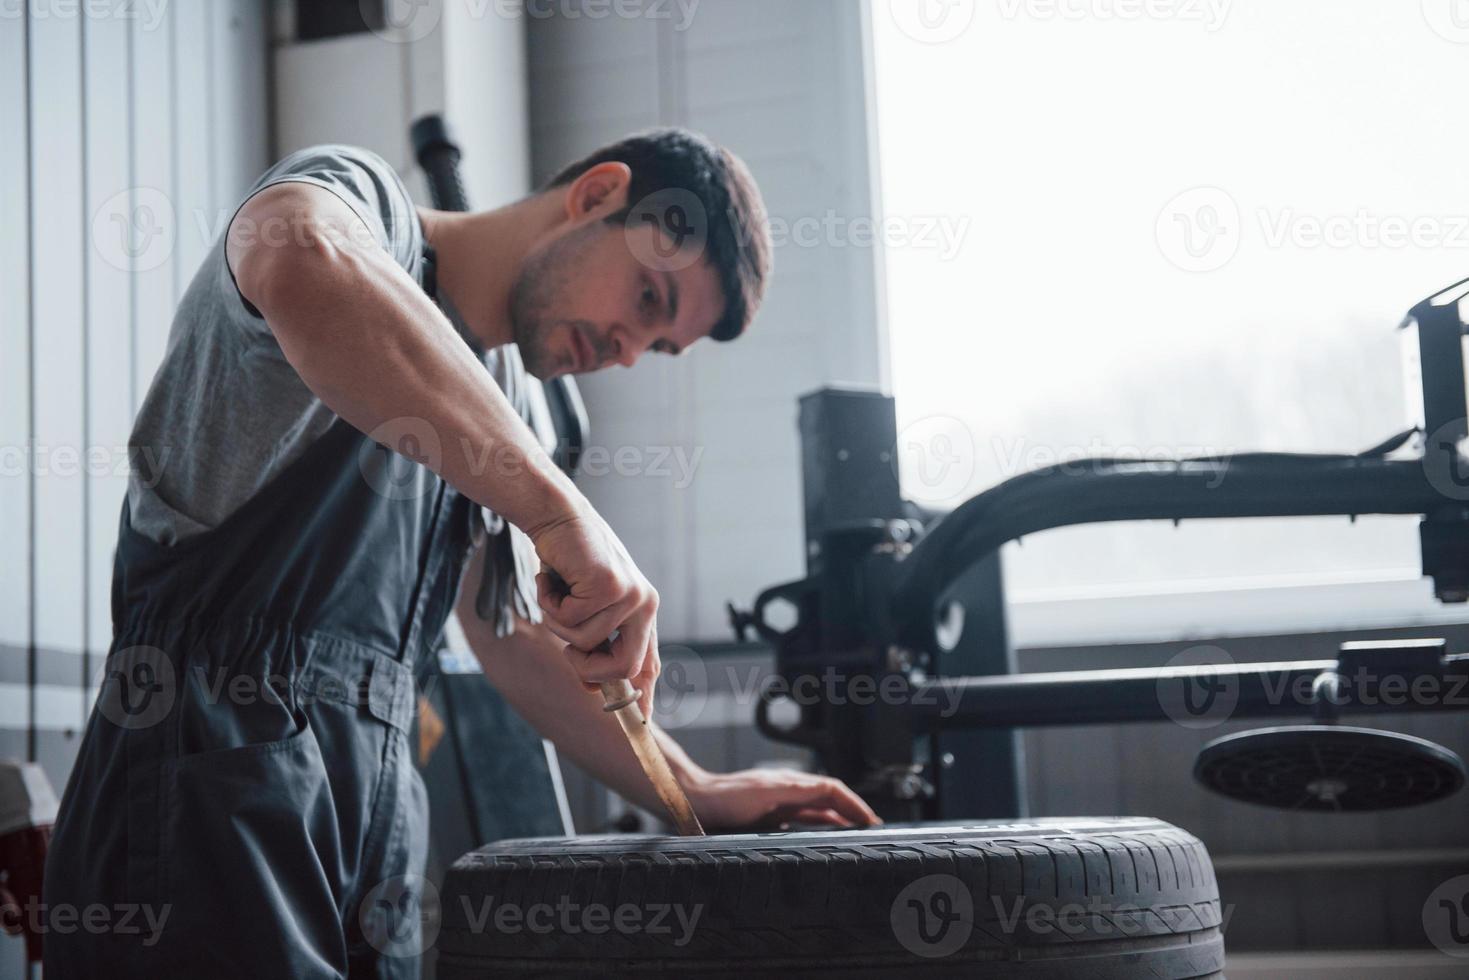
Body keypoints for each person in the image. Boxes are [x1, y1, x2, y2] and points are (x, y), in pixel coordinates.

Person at [44, 129, 878, 978]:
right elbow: (295, 249)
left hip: (371, 824)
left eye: (654, 346)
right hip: (196, 795)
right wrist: (560, 512)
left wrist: (689, 786)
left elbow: (511, 640)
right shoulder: (365, 210)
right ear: (597, 196)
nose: (628, 347)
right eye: (647, 298)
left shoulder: (511, 402)